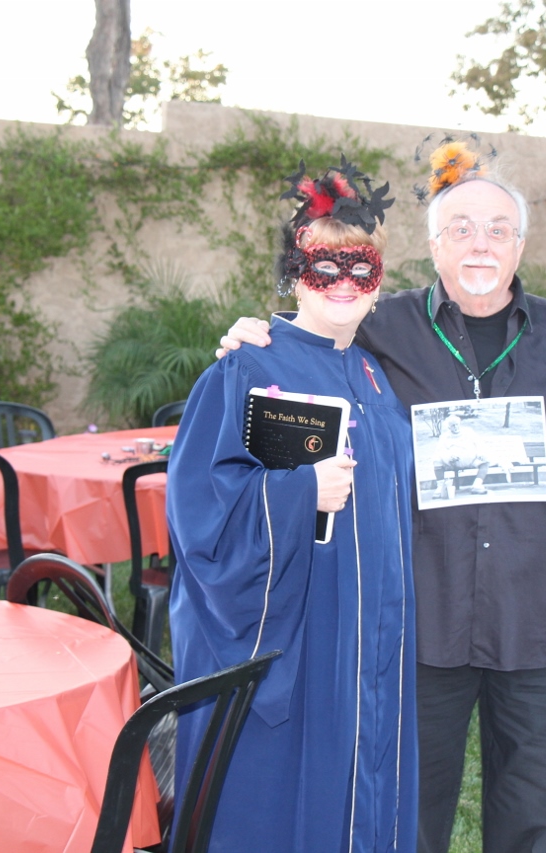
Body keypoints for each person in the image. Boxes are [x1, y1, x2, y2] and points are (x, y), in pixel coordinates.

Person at [218, 139, 546, 853]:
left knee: (534, 815)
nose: (480, 244)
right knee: (409, 811)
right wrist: (252, 339)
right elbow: (311, 337)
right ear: (434, 243)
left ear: (519, 244)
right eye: (462, 229)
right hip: (424, 617)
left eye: (497, 230)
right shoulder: (382, 333)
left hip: (537, 614)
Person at [166, 159, 417, 852]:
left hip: (372, 641)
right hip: (297, 644)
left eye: (359, 267)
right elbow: (200, 518)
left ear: (380, 281)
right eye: (322, 265)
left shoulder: (372, 373)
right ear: (293, 274)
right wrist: (300, 491)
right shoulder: (247, 367)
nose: (341, 283)